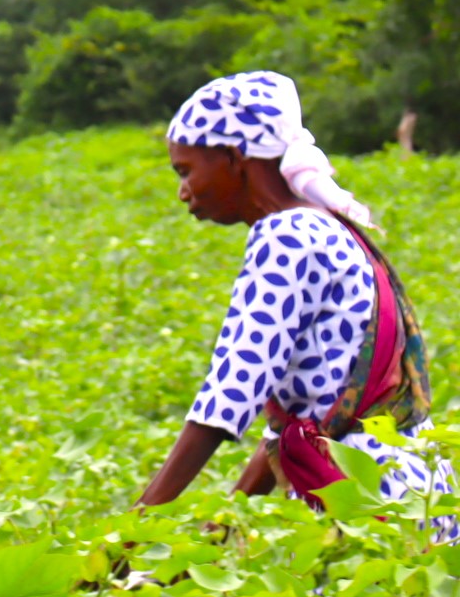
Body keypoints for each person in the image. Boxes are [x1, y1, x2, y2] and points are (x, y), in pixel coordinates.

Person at [138, 70, 455, 538]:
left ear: (233, 157)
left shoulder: (286, 238)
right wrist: (216, 535)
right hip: (410, 497)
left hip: (369, 501)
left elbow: (228, 397)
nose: (183, 191)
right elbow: (294, 427)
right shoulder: (323, 227)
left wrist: (128, 534)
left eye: (185, 171)